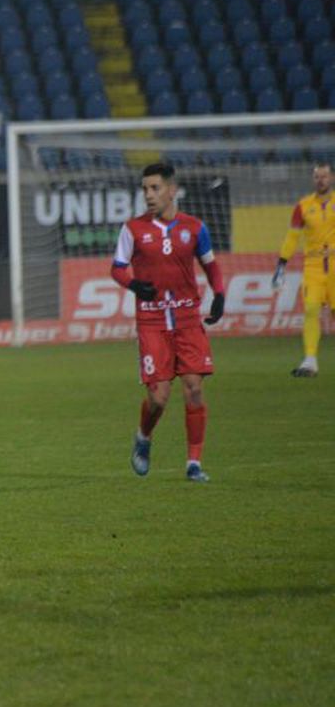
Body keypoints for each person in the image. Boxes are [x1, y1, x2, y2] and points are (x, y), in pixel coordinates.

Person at [110, 164, 226, 483]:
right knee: (158, 398)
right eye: (145, 189)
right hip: (152, 321)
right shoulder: (132, 229)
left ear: (172, 190)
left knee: (194, 390)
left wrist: (219, 295)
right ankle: (144, 437)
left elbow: (211, 266)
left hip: (188, 319)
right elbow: (118, 268)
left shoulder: (195, 227)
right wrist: (133, 285)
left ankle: (194, 464)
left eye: (155, 188)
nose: (148, 195)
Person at [271, 161, 334, 378]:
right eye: (317, 176)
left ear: (331, 178)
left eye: (324, 176)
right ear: (313, 179)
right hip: (313, 266)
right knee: (310, 310)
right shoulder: (303, 205)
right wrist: (282, 262)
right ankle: (310, 360)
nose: (321, 180)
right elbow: (292, 237)